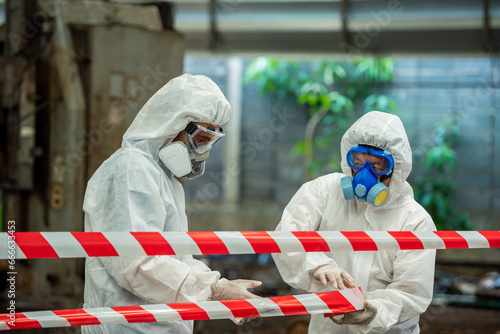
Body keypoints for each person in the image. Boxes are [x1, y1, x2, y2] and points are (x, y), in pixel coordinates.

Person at [82, 74, 261, 334]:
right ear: (172, 125)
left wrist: (218, 286)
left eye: (211, 141)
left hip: (156, 324)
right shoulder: (131, 169)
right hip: (125, 328)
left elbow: (178, 258)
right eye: (201, 139)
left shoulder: (163, 178)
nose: (203, 152)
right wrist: (214, 291)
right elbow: (137, 264)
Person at [272, 111, 436, 333]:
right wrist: (317, 264)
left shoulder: (415, 221)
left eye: (378, 165)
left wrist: (372, 311)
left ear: (397, 168)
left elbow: (411, 292)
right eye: (357, 161)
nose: (364, 174)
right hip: (328, 328)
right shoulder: (324, 191)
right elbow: (286, 238)